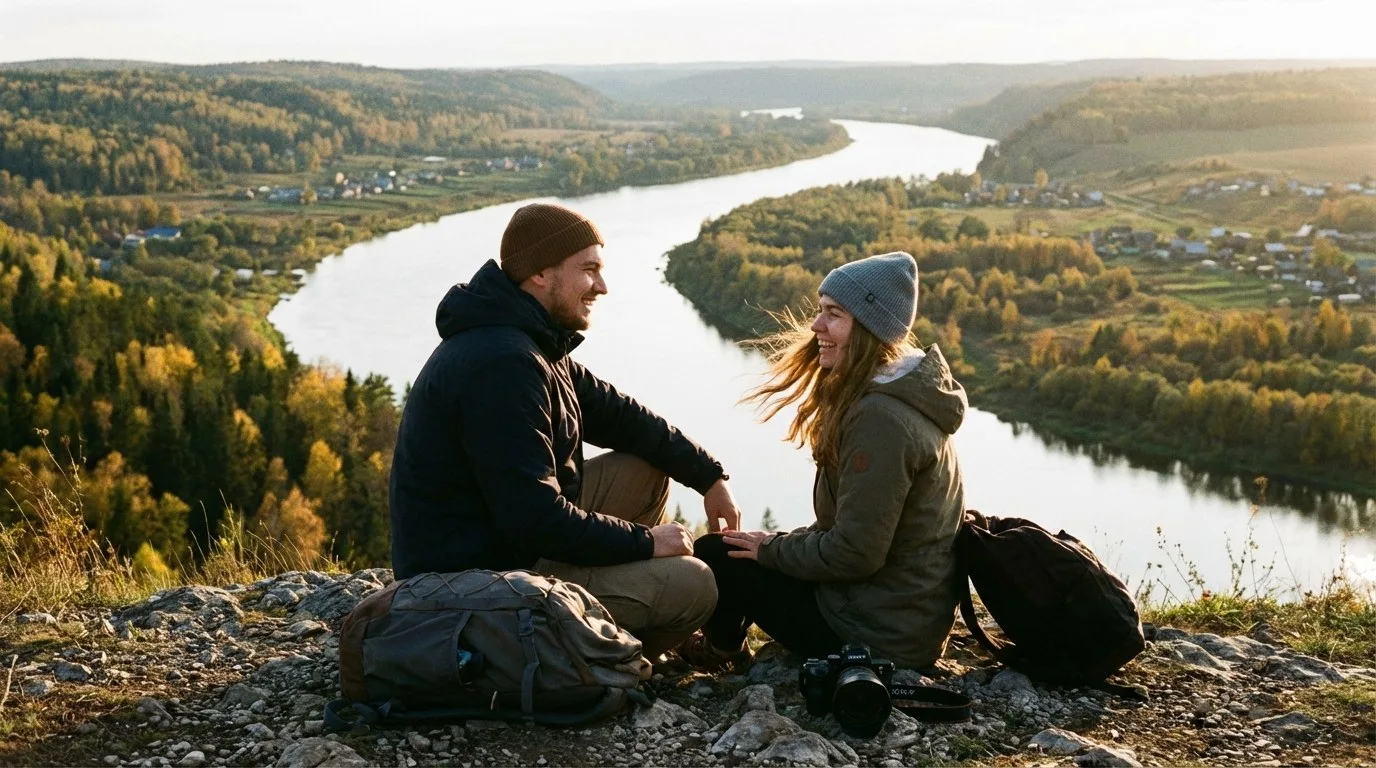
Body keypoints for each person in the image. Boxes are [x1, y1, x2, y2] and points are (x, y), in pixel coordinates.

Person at [389, 202, 743, 659]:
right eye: (589, 269)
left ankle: (606, 615)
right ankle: (616, 654)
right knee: (694, 586)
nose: (602, 286)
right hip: (469, 586)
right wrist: (647, 542)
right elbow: (535, 519)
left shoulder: (531, 341)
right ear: (540, 273)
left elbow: (622, 417)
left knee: (646, 468)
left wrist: (709, 477)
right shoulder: (502, 365)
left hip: (506, 542)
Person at [681, 251, 968, 672]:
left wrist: (772, 550)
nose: (816, 326)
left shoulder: (882, 420)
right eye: (820, 311)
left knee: (720, 556)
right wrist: (773, 548)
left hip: (875, 634)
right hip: (897, 617)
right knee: (744, 549)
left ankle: (721, 653)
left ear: (868, 329)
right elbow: (851, 532)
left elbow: (854, 553)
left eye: (833, 314)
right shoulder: (898, 395)